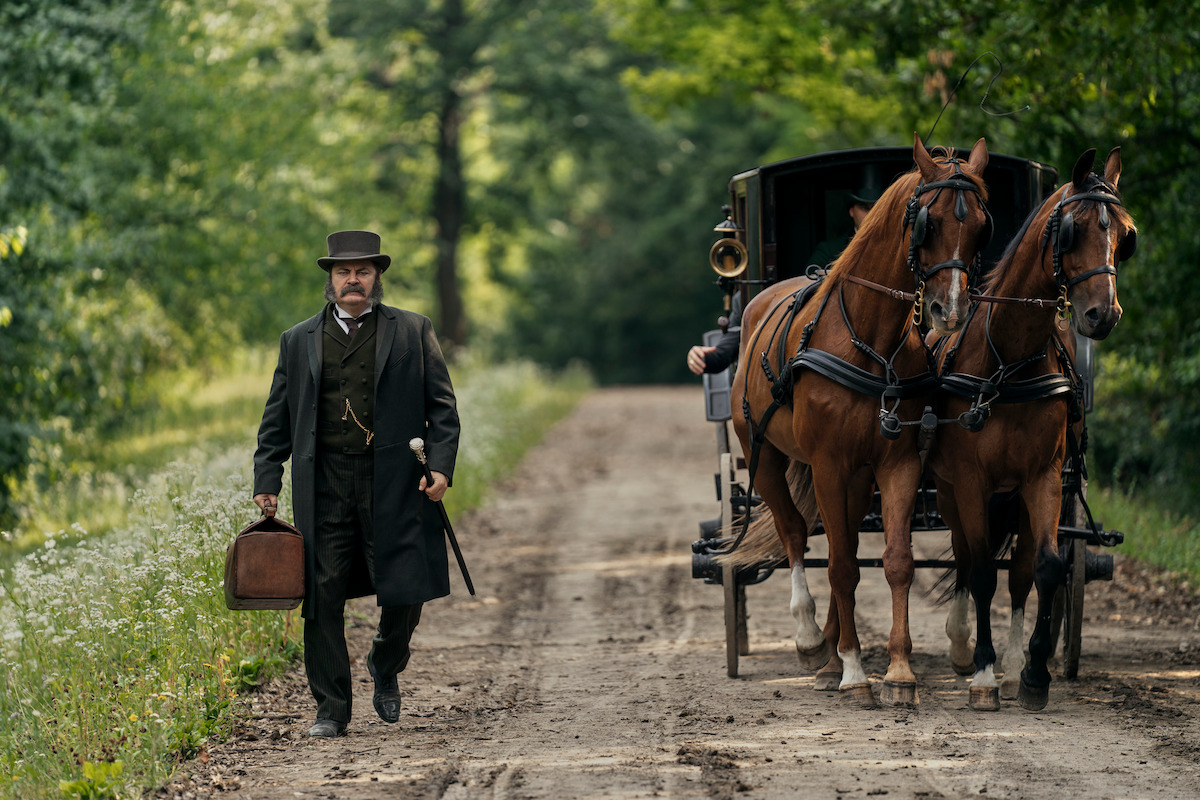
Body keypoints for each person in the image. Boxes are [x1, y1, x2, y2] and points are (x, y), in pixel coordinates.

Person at [252, 229, 461, 738]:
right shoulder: (298, 339)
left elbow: (443, 408)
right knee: (321, 594)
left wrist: (440, 466)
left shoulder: (413, 330)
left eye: (363, 271)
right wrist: (267, 476)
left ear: (377, 277)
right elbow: (276, 417)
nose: (353, 280)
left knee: (405, 585)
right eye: (344, 272)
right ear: (330, 278)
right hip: (323, 480)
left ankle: (386, 663)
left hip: (395, 480)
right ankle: (331, 708)